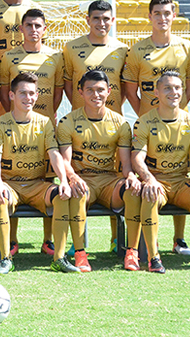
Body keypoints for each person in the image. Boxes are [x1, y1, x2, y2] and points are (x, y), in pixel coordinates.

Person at [122, 0, 190, 256]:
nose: (162, 18)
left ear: (174, 16)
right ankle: (139, 243)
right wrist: (146, 115)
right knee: (146, 179)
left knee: (179, 174)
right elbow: (131, 90)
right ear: (150, 16)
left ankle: (179, 240)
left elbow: (189, 87)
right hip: (148, 128)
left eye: (167, 13)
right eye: (157, 13)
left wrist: (176, 111)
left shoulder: (187, 48)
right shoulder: (137, 50)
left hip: (178, 127)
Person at [129, 71, 190, 273]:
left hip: (182, 183)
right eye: (167, 88)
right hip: (158, 182)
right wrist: (148, 178)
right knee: (149, 194)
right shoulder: (145, 121)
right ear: (156, 92)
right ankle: (153, 258)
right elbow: (137, 158)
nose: (173, 92)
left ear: (183, 91)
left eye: (177, 88)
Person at [61, 0, 130, 252]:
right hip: (80, 123)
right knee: (78, 179)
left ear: (112, 21)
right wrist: (83, 107)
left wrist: (108, 108)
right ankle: (76, 243)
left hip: (112, 125)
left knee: (115, 176)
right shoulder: (72, 47)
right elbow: (69, 85)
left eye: (106, 19)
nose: (102, 23)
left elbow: (124, 87)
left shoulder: (122, 49)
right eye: (97, 18)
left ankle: (116, 238)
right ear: (88, 20)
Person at [56, 70, 140, 272]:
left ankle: (132, 252)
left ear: (109, 91)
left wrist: (130, 177)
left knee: (134, 191)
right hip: (84, 180)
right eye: (90, 90)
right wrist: (73, 177)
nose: (96, 95)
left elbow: (126, 164)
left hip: (109, 182)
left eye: (101, 90)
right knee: (76, 191)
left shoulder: (120, 122)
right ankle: (80, 254)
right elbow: (65, 161)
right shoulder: (68, 122)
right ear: (80, 93)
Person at [0, 72, 72, 273]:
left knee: (61, 197)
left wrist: (63, 180)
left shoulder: (44, 123)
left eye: (32, 94)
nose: (28, 98)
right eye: (23, 93)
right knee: (0, 198)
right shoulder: (0, 123)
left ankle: (59, 258)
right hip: (11, 185)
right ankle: (6, 258)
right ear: (11, 96)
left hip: (37, 185)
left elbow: (54, 153)